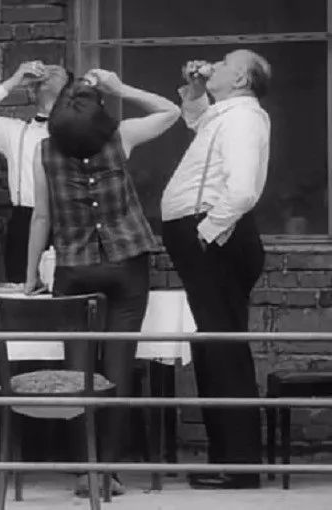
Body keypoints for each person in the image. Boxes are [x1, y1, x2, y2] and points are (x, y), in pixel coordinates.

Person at [25, 70, 180, 496]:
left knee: (77, 373)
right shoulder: (120, 137)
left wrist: (30, 273)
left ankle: (85, 470)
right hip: (126, 263)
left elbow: (41, 216)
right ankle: (108, 470)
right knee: (117, 368)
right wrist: (119, 87)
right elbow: (171, 111)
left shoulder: (44, 151)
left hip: (74, 268)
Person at [160, 49, 271, 490]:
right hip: (208, 236)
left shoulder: (244, 119)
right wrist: (194, 91)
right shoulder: (226, 115)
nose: (215, 65)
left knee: (223, 347)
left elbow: (242, 190)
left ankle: (239, 464)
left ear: (241, 79)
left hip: (216, 237)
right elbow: (199, 122)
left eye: (225, 64)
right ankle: (225, 456)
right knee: (212, 345)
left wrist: (206, 231)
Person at [0, 61, 69, 282]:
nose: (51, 74)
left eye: (59, 75)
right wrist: (14, 80)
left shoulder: (81, 130)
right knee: (23, 292)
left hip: (70, 219)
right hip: (25, 222)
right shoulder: (15, 132)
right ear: (33, 90)